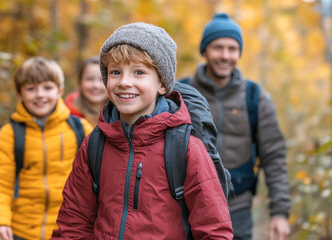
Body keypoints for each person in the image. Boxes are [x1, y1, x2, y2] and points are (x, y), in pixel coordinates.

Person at [52, 22, 233, 239]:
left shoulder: (185, 148)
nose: (125, 82)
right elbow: (73, 222)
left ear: (163, 85)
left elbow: (213, 230)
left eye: (139, 72)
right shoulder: (95, 144)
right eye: (115, 72)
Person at [182, 13, 291, 240]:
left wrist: (279, 213)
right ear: (204, 51)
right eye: (217, 47)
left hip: (237, 207)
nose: (225, 55)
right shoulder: (182, 92)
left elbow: (274, 155)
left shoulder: (255, 96)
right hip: (187, 205)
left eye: (232, 49)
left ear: (239, 52)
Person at [0, 57, 93, 240]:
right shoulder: (9, 135)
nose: (40, 95)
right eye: (31, 89)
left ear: (60, 91)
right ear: (19, 95)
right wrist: (0, 221)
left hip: (67, 231)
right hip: (20, 231)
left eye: (47, 88)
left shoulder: (81, 129)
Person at [64, 56, 108, 126]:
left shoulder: (121, 115)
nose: (96, 85)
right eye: (89, 79)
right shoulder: (65, 115)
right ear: (80, 82)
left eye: (102, 79)